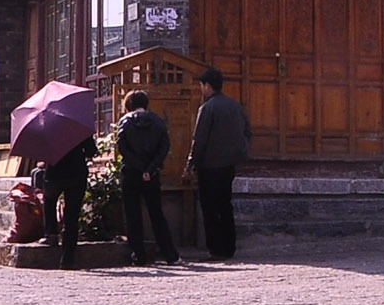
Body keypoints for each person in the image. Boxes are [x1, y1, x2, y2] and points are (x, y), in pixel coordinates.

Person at [187, 67, 250, 261]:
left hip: (210, 165)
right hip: (229, 164)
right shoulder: (236, 106)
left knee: (210, 208)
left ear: (207, 86)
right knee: (225, 205)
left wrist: (190, 164)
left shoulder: (207, 108)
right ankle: (229, 247)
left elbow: (200, 139)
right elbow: (247, 133)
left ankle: (215, 248)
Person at [113, 90, 179, 265]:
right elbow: (164, 147)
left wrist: (139, 166)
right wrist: (150, 169)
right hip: (152, 174)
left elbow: (122, 147)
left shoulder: (125, 122)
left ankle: (139, 255)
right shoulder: (157, 121)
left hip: (131, 173)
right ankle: (170, 254)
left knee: (133, 215)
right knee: (156, 214)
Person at [42, 132, 97, 268]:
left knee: (49, 200)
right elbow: (91, 151)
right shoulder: (77, 127)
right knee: (71, 216)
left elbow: (41, 151)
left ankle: (51, 233)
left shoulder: (50, 127)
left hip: (54, 172)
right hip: (76, 174)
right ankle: (67, 259)